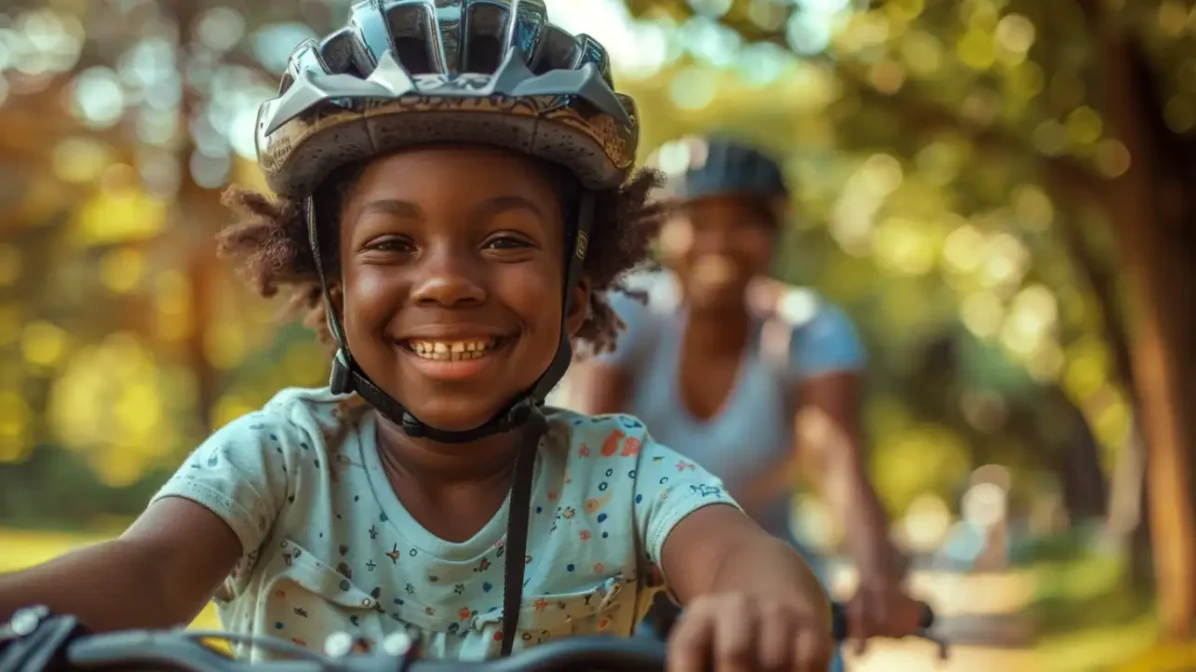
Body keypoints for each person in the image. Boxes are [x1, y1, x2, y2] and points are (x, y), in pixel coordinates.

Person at [0, 3, 921, 670]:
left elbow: (733, 552)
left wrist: (763, 597)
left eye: (507, 241)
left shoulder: (620, 475)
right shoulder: (278, 458)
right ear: (332, 294)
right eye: (393, 244)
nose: (446, 279)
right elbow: (151, 570)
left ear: (576, 294)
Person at [562, 137, 924, 664]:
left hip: (767, 579)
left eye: (746, 221)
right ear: (659, 233)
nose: (721, 241)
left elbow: (838, 459)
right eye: (698, 219)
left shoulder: (806, 330)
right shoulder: (628, 312)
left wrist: (877, 578)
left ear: (775, 235)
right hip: (624, 578)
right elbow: (586, 454)